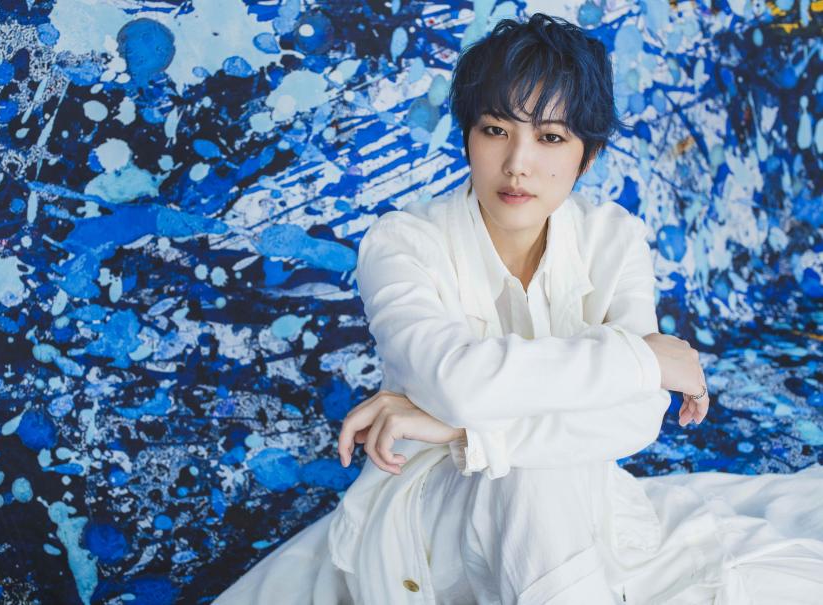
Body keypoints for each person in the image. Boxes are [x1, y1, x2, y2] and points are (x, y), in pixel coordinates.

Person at [213, 13, 823, 604]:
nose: (517, 164)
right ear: (467, 136)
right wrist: (641, 360)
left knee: (540, 476)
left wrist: (461, 430)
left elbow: (635, 419)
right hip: (433, 514)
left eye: (550, 137)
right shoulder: (402, 243)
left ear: (586, 155)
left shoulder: (613, 237)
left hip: (581, 501)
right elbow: (459, 381)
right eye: (495, 130)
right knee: (529, 475)